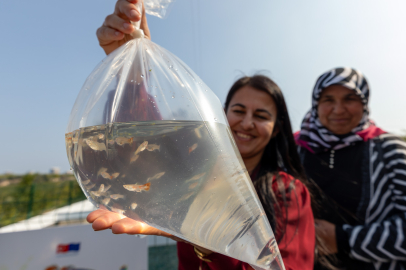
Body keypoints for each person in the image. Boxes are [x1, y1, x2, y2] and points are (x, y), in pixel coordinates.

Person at [87, 1, 316, 269]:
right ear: (220, 115)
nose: (247, 122)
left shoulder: (287, 192)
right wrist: (133, 73)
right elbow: (141, 146)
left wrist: (210, 244)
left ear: (277, 128)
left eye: (262, 116)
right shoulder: (190, 176)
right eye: (238, 111)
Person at [296, 67, 406, 270]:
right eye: (328, 99)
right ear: (316, 104)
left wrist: (344, 239)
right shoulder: (293, 150)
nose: (338, 109)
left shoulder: (389, 148)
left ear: (364, 103)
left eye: (349, 99)